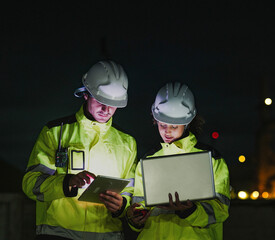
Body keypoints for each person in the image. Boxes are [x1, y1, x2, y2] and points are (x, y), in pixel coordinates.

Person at [22, 60, 137, 240]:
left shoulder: (127, 143)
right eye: (101, 101)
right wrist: (66, 182)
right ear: (86, 94)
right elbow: (31, 184)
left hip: (108, 235)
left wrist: (122, 205)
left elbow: (131, 194)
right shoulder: (55, 132)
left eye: (113, 104)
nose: (107, 110)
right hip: (58, 234)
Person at [127, 82, 230, 240]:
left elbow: (220, 210)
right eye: (162, 125)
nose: (167, 131)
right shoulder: (148, 161)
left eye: (174, 126)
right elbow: (139, 206)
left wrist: (190, 210)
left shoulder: (211, 159)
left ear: (187, 122)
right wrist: (135, 218)